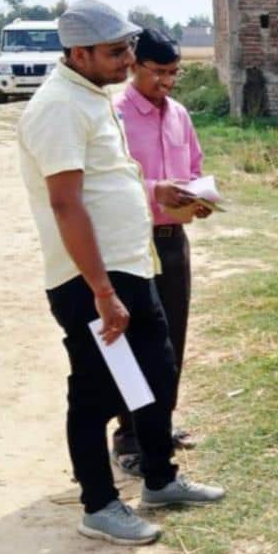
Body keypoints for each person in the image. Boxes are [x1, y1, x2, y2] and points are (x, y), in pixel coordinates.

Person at [17, 0, 225, 547]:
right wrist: (103, 291)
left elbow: (109, 178)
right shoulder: (59, 107)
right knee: (95, 390)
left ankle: (160, 478)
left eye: (128, 47)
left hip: (133, 264)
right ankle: (99, 504)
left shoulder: (91, 97)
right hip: (90, 278)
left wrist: (155, 190)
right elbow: (66, 204)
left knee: (158, 372)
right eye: (115, 51)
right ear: (77, 52)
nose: (127, 59)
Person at [110, 27, 208, 473]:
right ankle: (130, 436)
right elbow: (109, 184)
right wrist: (156, 191)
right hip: (132, 243)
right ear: (134, 65)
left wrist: (200, 198)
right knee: (133, 343)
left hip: (174, 242)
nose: (167, 82)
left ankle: (160, 425)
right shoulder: (114, 116)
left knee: (171, 340)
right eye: (159, 72)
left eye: (175, 73)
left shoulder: (179, 115)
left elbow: (194, 168)